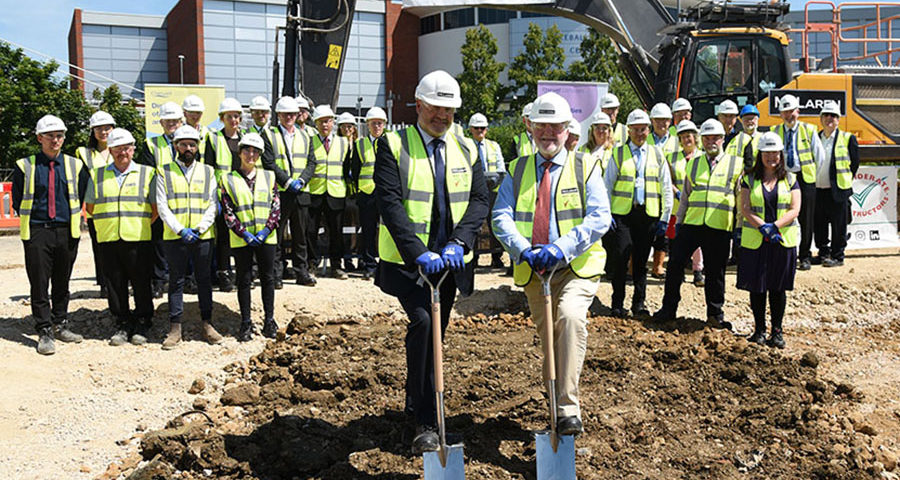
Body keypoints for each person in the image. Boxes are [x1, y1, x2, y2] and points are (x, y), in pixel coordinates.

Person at [374, 70, 488, 452]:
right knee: (423, 322)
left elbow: (479, 200)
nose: (442, 116)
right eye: (435, 108)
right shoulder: (393, 144)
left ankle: (422, 407)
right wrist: (418, 252)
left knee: (435, 334)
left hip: (449, 264)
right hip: (410, 264)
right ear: (419, 104)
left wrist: (459, 241)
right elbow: (389, 203)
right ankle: (424, 420)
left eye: (449, 110)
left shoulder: (467, 147)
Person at [492, 91, 610, 435]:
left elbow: (600, 217)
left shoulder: (585, 166)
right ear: (530, 127)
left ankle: (567, 410)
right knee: (550, 341)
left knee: (570, 319)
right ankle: (555, 407)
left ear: (566, 129)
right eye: (541, 126)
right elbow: (501, 216)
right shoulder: (517, 170)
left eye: (555, 127)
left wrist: (561, 248)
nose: (548, 134)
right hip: (535, 272)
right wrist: (522, 248)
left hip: (576, 267)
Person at [654, 119, 743, 328]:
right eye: (707, 138)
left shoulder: (735, 164)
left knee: (715, 272)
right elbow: (685, 196)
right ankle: (668, 309)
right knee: (675, 265)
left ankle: (715, 314)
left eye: (715, 138)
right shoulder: (694, 163)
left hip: (719, 226)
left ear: (723, 139)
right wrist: (679, 222)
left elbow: (740, 199)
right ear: (702, 140)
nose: (711, 142)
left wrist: (738, 228)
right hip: (692, 223)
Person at [12, 115, 89, 355]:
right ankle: (44, 329)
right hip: (38, 231)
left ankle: (60, 323)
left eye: (59, 136)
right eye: (50, 136)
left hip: (67, 230)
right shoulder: (25, 166)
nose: (55, 140)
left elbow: (81, 194)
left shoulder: (75, 166)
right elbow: (18, 200)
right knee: (39, 282)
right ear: (39, 138)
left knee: (62, 281)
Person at [85, 128, 157, 346]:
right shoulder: (97, 174)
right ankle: (122, 322)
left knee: (141, 282)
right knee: (115, 283)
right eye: (117, 148)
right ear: (110, 151)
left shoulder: (147, 173)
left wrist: (137, 223)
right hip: (108, 237)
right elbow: (90, 207)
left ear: (133, 149)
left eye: (126, 148)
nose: (122, 152)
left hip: (138, 237)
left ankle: (143, 321)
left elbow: (155, 209)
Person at [157, 125, 221, 349]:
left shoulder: (208, 171)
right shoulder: (164, 171)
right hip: (175, 236)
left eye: (192, 145)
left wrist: (200, 228)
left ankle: (207, 324)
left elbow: (213, 203)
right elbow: (162, 205)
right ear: (176, 146)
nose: (188, 148)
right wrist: (180, 229)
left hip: (202, 236)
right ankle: (175, 328)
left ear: (197, 147)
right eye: (183, 144)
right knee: (176, 280)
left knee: (204, 279)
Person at [604, 109, 673, 317]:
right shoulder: (618, 154)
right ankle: (617, 304)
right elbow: (607, 186)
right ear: (629, 131)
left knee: (641, 261)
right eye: (635, 129)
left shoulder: (657, 154)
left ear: (648, 130)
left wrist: (665, 217)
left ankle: (639, 304)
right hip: (623, 215)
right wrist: (607, 214)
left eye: (642, 129)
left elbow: (666, 187)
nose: (639, 133)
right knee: (621, 258)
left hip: (648, 214)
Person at [738, 132, 801, 349]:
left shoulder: (790, 179)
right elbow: (745, 208)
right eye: (767, 153)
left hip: (781, 241)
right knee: (757, 287)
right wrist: (762, 227)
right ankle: (759, 330)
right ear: (760, 155)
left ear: (781, 154)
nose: (771, 157)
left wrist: (775, 226)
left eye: (775, 153)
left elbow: (795, 209)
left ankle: (777, 331)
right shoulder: (749, 178)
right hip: (756, 241)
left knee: (777, 287)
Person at [221, 133, 281, 341]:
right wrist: (244, 233)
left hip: (267, 237)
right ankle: (245, 322)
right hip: (242, 238)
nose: (251, 154)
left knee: (268, 278)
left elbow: (276, 206)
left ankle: (269, 320)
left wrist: (266, 230)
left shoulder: (269, 177)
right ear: (240, 152)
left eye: (255, 151)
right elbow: (228, 211)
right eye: (247, 150)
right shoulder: (228, 179)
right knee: (244, 279)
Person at [265, 96, 317, 287]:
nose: (289, 117)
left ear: (297, 115)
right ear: (278, 115)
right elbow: (269, 162)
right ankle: (276, 273)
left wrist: (302, 180)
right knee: (277, 235)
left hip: (301, 192)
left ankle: (301, 272)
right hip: (280, 192)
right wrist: (287, 181)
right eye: (285, 114)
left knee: (300, 235)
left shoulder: (306, 136)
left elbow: (312, 162)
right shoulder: (269, 135)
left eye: (292, 114)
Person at [772, 94, 826, 271]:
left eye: (791, 111)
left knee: (806, 219)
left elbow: (819, 157)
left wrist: (810, 176)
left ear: (798, 111)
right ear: (780, 114)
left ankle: (804, 256)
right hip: (782, 178)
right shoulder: (774, 131)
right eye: (785, 112)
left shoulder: (809, 130)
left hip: (804, 179)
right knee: (781, 216)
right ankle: (781, 253)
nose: (789, 115)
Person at [138, 101, 182, 299]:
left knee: (181, 240)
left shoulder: (188, 141)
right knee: (158, 242)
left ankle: (183, 280)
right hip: (160, 198)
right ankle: (158, 281)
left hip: (183, 199)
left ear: (181, 121)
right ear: (161, 122)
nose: (171, 124)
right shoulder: (151, 144)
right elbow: (148, 173)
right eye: (168, 120)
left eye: (175, 120)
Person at [307, 105, 352, 279]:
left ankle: (336, 266)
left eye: (327, 121)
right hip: (315, 192)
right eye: (321, 122)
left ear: (333, 122)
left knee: (336, 232)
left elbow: (346, 167)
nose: (325, 125)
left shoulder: (343, 143)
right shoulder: (310, 141)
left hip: (336, 192)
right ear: (316, 124)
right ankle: (312, 265)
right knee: (311, 231)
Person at [815, 101, 859, 267]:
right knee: (819, 224)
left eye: (833, 115)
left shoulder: (847, 138)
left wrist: (845, 180)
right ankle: (823, 253)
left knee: (838, 225)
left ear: (838, 119)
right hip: (818, 189)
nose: (829, 118)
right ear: (821, 119)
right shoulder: (815, 138)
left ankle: (838, 256)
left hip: (838, 190)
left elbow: (855, 164)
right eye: (826, 115)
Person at [77, 111, 116, 298]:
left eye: (107, 128)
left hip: (120, 208)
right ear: (92, 131)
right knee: (100, 249)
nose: (104, 132)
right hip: (97, 210)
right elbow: (82, 182)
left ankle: (121, 282)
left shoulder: (121, 148)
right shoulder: (84, 154)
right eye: (99, 128)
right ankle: (104, 284)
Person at [350, 107, 391, 279]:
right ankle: (370, 265)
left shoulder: (392, 142)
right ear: (367, 125)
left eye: (380, 123)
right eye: (373, 123)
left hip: (386, 193)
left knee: (389, 231)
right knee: (368, 231)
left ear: (385, 124)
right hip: (366, 194)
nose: (377, 126)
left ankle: (387, 264)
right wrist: (358, 191)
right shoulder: (360, 145)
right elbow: (354, 170)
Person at [668, 120, 705, 286]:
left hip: (697, 206)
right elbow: (667, 180)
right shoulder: (672, 158)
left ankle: (698, 271)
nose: (686, 140)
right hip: (677, 206)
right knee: (676, 240)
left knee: (697, 242)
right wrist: (677, 192)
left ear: (695, 137)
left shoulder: (703, 157)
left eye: (688, 136)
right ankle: (679, 271)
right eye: (683, 137)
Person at [468, 112, 506, 269]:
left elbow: (501, 168)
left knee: (494, 224)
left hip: (492, 191)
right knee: (474, 224)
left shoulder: (493, 146)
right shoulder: (466, 146)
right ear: (471, 129)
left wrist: (494, 180)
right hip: (473, 192)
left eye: (482, 128)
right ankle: (474, 257)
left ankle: (496, 256)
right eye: (476, 128)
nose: (480, 131)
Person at [337, 112, 361, 272]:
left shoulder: (360, 144)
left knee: (358, 226)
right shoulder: (336, 144)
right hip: (341, 190)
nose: (347, 129)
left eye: (350, 126)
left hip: (357, 191)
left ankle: (357, 257)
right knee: (344, 226)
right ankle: (346, 257)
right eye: (344, 126)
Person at [727, 105, 763, 172]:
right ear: (741, 121)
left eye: (752, 119)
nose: (750, 121)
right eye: (746, 119)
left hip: (759, 175)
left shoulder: (763, 138)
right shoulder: (735, 139)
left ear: (757, 120)